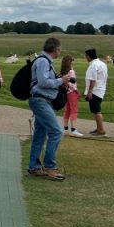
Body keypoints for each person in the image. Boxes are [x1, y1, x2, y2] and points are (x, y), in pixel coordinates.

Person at [27, 37, 70, 181]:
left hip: (43, 100)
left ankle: (34, 166)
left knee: (40, 135)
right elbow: (43, 82)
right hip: (40, 100)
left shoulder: (43, 61)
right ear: (55, 49)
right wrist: (61, 80)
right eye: (59, 49)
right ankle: (50, 167)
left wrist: (59, 83)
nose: (60, 51)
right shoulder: (43, 61)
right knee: (57, 132)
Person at [84, 48, 109, 136]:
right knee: (96, 110)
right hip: (101, 89)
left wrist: (90, 92)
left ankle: (101, 130)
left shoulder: (93, 65)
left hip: (95, 91)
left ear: (88, 56)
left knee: (96, 111)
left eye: (86, 56)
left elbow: (93, 80)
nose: (85, 58)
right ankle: (99, 128)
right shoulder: (102, 64)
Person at [60, 54, 83, 137]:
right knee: (74, 110)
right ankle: (73, 129)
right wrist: (77, 91)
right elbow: (72, 84)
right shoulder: (71, 71)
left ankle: (65, 129)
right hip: (72, 92)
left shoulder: (63, 71)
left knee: (67, 110)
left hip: (66, 92)